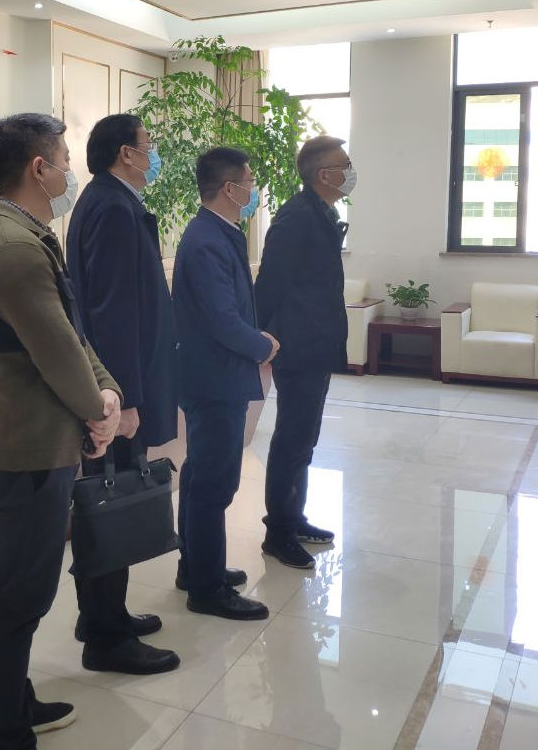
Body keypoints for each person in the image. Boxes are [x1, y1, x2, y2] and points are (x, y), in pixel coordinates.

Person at [0, 112, 123, 750]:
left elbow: (72, 333)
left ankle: (15, 700)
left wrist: (105, 391)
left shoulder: (28, 235)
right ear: (39, 168)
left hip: (37, 441)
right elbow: (57, 351)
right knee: (19, 592)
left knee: (25, 588)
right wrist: (98, 409)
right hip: (24, 450)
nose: (69, 174)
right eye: (64, 162)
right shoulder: (14, 248)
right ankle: (4, 729)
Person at [64, 114, 180, 676]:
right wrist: (124, 398)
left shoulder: (111, 201)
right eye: (147, 146)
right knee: (109, 500)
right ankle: (106, 638)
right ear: (124, 154)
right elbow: (112, 312)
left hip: (117, 384)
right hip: (117, 392)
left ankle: (102, 615)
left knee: (111, 498)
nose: (152, 155)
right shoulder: (111, 207)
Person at [172, 147, 278, 621]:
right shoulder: (206, 241)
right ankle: (206, 589)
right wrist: (262, 346)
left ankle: (195, 566)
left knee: (201, 476)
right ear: (230, 188)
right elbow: (222, 318)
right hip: (215, 379)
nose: (254, 191)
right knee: (213, 484)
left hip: (215, 374)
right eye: (249, 183)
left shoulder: (217, 232)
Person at [254, 136, 353, 569]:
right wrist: (260, 340)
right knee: (292, 438)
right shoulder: (296, 217)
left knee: (305, 438)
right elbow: (270, 283)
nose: (350, 171)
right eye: (344, 165)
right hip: (297, 344)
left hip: (317, 342)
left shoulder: (322, 212)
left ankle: (294, 518)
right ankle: (278, 532)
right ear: (323, 174)